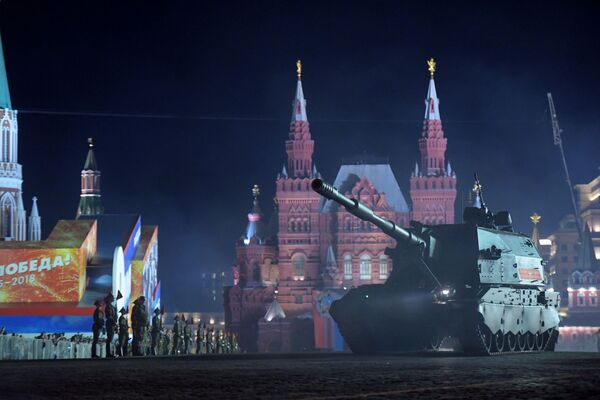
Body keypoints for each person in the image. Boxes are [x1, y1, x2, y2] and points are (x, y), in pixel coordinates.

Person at [104, 292, 117, 358]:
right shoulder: (108, 307)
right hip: (110, 323)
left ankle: (110, 353)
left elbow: (114, 315)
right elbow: (109, 316)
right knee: (109, 339)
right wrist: (114, 322)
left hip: (112, 324)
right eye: (111, 298)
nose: (113, 299)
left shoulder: (112, 307)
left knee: (111, 339)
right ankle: (108, 353)